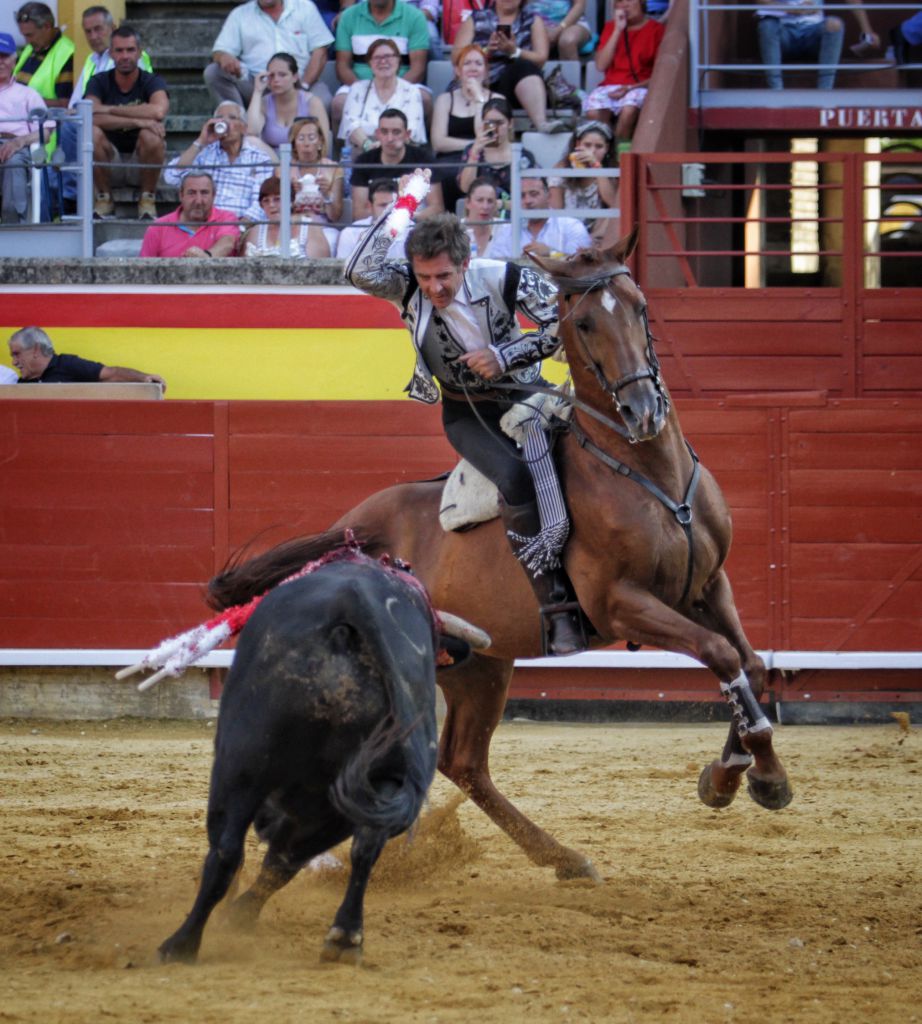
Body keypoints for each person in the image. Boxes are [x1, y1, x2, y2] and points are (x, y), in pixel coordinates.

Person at [344, 195, 583, 654]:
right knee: (515, 476)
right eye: (424, 277)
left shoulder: (505, 276)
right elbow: (358, 270)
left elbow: (564, 320)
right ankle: (557, 609)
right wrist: (404, 205)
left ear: (466, 262)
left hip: (528, 396)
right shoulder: (408, 287)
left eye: (444, 276)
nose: (433, 288)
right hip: (466, 413)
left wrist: (504, 356)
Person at [59, 6, 154, 213]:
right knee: (64, 124)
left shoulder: (133, 58)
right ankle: (71, 192)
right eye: (88, 31)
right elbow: (76, 105)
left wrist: (99, 111)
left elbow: (139, 106)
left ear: (113, 27)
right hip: (96, 124)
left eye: (98, 29)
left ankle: (73, 196)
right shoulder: (92, 60)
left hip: (124, 133)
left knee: (70, 129)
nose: (93, 36)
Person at [85, 25, 169, 220]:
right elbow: (91, 115)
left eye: (130, 50)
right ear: (111, 54)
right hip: (108, 160)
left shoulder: (151, 81)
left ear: (139, 53)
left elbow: (157, 110)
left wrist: (109, 109)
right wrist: (138, 120)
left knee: (152, 135)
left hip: (141, 161)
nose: (125, 56)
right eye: (119, 50)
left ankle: (147, 200)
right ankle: (104, 199)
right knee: (91, 132)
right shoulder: (98, 81)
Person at [451, 0, 565, 134]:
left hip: (517, 88)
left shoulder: (532, 20)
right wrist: (486, 51)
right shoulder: (476, 18)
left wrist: (514, 52)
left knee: (524, 66)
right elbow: (456, 57)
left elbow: (541, 58)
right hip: (482, 83)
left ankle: (542, 124)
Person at [205, 0, 333, 110]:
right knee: (214, 71)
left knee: (323, 102)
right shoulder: (240, 15)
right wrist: (224, 56)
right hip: (258, 85)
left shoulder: (305, 7)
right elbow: (220, 50)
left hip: (300, 81)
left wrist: (303, 86)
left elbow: (320, 51)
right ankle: (237, 121)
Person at [164, 101, 277, 222]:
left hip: (242, 225)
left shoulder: (259, 159)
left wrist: (239, 227)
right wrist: (201, 141)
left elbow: (260, 203)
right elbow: (172, 177)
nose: (225, 122)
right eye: (219, 118)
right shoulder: (204, 153)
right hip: (206, 224)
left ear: (244, 128)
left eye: (232, 118)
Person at [332, 0, 431, 133]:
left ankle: (419, 152)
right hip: (359, 86)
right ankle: (342, 153)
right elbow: (342, 67)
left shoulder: (415, 16)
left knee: (424, 99)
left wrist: (392, 91)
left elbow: (418, 69)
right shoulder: (348, 16)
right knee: (339, 104)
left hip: (402, 85)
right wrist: (367, 91)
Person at [431, 42, 503, 209]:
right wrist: (473, 145)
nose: (473, 67)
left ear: (486, 71)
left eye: (478, 63)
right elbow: (438, 142)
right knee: (445, 174)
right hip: (450, 160)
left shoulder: (497, 100)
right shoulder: (445, 99)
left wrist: (479, 101)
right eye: (467, 63)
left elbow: (490, 138)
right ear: (457, 70)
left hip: (486, 158)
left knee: (479, 174)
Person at [582, 0, 664, 142]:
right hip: (611, 86)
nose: (625, 5)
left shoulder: (656, 29)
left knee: (628, 110)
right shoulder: (610, 28)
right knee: (593, 112)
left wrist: (630, 88)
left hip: (639, 86)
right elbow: (601, 65)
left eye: (630, 0)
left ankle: (621, 150)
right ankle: (607, 149)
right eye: (620, 1)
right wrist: (617, 30)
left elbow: (660, 75)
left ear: (641, 3)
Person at [754, 0, 873, 89]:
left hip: (813, 33)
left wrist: (867, 31)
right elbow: (761, 1)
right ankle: (776, 93)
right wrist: (791, 9)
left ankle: (824, 94)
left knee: (835, 24)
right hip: (784, 34)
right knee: (767, 26)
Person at [349, 107, 443, 219]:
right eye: (384, 132)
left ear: (407, 134)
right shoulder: (364, 162)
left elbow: (437, 208)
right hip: (374, 227)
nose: (389, 138)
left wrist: (404, 218)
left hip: (414, 226)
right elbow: (359, 213)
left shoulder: (424, 159)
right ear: (377, 134)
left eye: (396, 132)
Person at [338, 37, 428, 151]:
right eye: (377, 57)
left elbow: (413, 130)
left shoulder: (411, 91)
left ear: (398, 60)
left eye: (388, 56)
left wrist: (386, 148)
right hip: (364, 153)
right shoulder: (357, 89)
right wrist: (369, 146)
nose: (383, 61)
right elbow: (350, 125)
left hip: (400, 153)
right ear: (369, 63)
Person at [8, 325, 167, 389]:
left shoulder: (66, 364)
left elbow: (112, 373)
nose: (14, 362)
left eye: (17, 354)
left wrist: (144, 378)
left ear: (36, 349)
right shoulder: (18, 382)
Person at [0, 31, 49, 223]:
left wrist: (20, 142)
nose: (1, 62)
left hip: (17, 145)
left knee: (15, 163)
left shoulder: (28, 94)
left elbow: (46, 130)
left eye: (5, 56)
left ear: (14, 60)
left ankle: (12, 227)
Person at [488, 174, 591, 258]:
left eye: (534, 194)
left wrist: (551, 254)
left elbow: (582, 264)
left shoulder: (571, 226)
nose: (528, 201)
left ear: (548, 196)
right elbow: (498, 267)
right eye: (522, 196)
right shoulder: (507, 231)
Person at [246, 51, 330, 153]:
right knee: (250, 141)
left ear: (295, 77)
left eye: (282, 75)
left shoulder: (312, 103)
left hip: (305, 160)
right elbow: (252, 131)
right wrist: (257, 91)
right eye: (272, 75)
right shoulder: (264, 103)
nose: (276, 79)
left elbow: (324, 144)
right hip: (274, 162)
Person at [139, 172, 239, 258]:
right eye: (191, 193)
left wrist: (206, 256)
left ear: (214, 196)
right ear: (181, 195)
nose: (198, 201)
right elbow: (142, 270)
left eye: (204, 193)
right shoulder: (158, 227)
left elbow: (227, 243)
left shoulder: (226, 218)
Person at [456, 96, 535, 204]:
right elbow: (465, 188)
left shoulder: (522, 155)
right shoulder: (472, 150)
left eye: (500, 123)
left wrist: (501, 205)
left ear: (510, 123)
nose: (494, 128)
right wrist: (474, 153)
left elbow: (529, 196)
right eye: (489, 123)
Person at [548, 120, 618, 229]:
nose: (592, 151)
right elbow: (556, 210)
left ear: (607, 149)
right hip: (567, 229)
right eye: (587, 145)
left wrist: (597, 167)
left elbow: (613, 202)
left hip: (599, 232)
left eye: (599, 146)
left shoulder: (613, 170)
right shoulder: (562, 168)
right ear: (577, 144)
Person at [240, 174, 331, 257]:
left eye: (277, 199)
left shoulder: (309, 228)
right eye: (266, 201)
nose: (271, 205)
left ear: (291, 201)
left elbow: (319, 269)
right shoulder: (256, 232)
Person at [13, 2, 74, 109]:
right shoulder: (32, 47)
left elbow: (66, 104)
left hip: (47, 122)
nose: (27, 41)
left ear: (47, 26)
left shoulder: (66, 53)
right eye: (24, 35)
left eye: (30, 35)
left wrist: (25, 100)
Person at [283, 116, 343, 223]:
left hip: (323, 227)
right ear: (294, 145)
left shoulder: (333, 169)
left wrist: (327, 194)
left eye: (311, 138)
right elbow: (278, 213)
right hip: (293, 226)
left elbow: (336, 216)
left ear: (320, 142)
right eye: (301, 138)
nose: (306, 144)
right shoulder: (283, 170)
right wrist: (292, 195)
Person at [335, 175, 399, 259]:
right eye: (382, 205)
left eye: (392, 205)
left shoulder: (410, 231)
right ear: (370, 206)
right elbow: (343, 270)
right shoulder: (350, 233)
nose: (389, 210)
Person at [528, 0, 592, 60]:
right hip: (535, 24)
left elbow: (579, 5)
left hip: (571, 22)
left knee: (567, 41)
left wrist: (559, 29)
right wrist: (539, 30)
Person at [462, 175, 502, 257]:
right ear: (467, 203)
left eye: (490, 201)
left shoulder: (504, 229)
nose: (485, 206)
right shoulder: (455, 230)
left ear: (495, 205)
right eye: (480, 200)